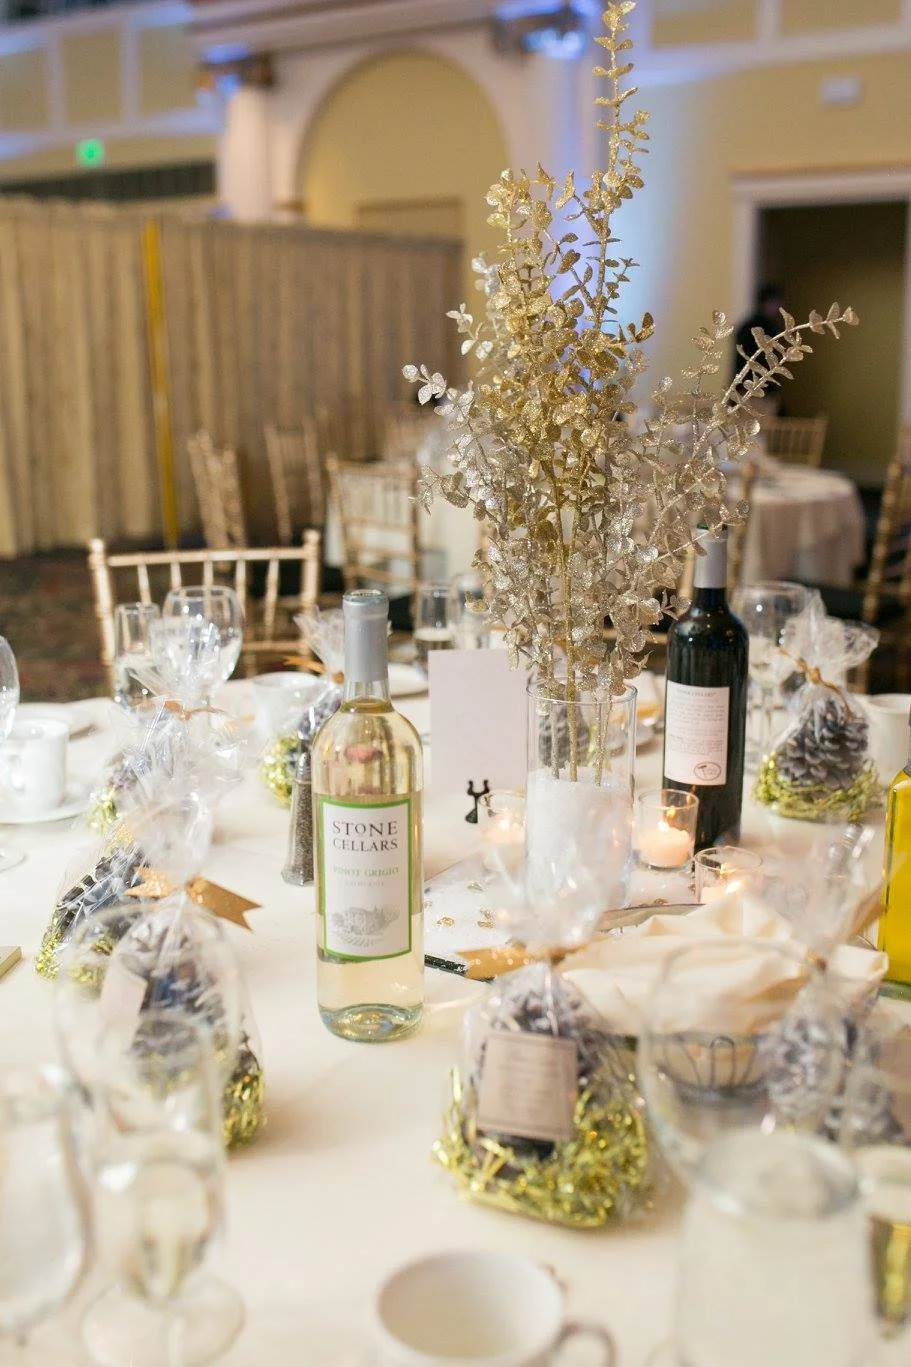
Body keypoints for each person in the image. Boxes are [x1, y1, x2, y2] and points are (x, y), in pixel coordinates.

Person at [731, 282, 786, 411]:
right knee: (759, 428)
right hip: (759, 390)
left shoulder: (746, 325)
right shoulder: (768, 328)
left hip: (743, 387)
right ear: (769, 302)